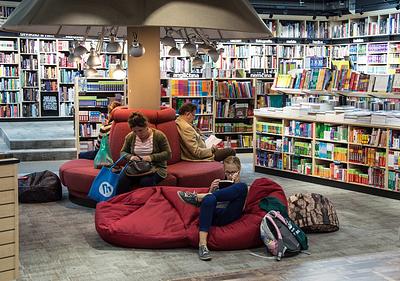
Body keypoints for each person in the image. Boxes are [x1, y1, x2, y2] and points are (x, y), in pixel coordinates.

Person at [177, 156, 248, 261]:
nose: (230, 175)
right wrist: (211, 190)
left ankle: (197, 197)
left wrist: (235, 185)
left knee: (242, 187)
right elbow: (209, 206)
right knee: (210, 198)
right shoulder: (220, 183)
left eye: (233, 172)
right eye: (227, 172)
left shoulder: (242, 186)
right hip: (214, 216)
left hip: (229, 214)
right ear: (224, 170)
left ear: (239, 170)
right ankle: (202, 245)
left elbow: (244, 207)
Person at [116, 112, 172, 194]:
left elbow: (168, 154)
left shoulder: (159, 136)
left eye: (140, 130)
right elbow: (122, 153)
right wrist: (131, 157)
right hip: (134, 167)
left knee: (146, 182)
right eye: (135, 131)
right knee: (121, 181)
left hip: (155, 167)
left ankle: (146, 205)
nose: (138, 134)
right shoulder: (130, 136)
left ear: (147, 126)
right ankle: (121, 203)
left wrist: (151, 158)